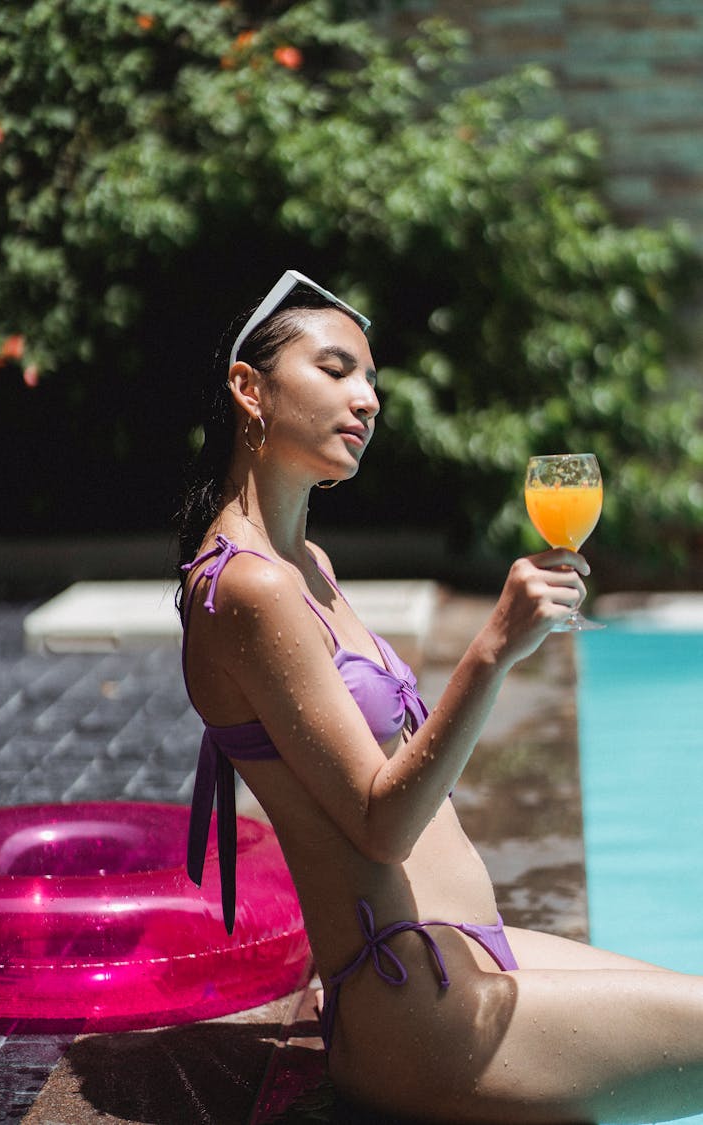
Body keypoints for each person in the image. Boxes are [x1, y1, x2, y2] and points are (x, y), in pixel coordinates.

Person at [177, 269, 703, 1124]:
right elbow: (381, 824)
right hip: (417, 1007)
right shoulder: (250, 589)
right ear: (250, 388)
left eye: (373, 380)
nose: (370, 399)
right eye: (339, 369)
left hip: (466, 962)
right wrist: (492, 649)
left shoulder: (306, 567)